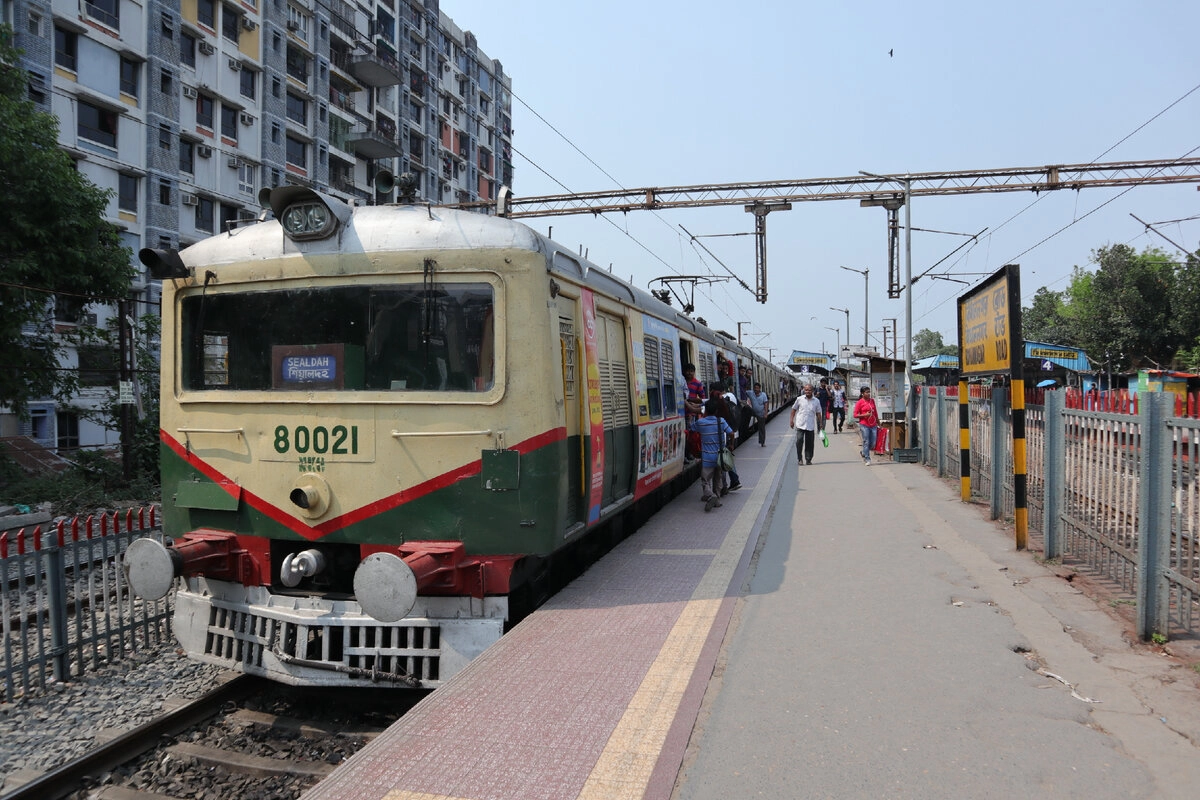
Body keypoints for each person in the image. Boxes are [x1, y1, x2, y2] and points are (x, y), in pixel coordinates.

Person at [692, 399, 733, 511]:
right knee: (718, 479)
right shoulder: (721, 421)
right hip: (720, 457)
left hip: (707, 458)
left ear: (706, 411)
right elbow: (731, 433)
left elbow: (691, 428)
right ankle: (717, 501)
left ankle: (711, 496)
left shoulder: (701, 422)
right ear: (716, 411)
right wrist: (731, 445)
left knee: (705, 480)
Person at [709, 382, 742, 491]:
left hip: (724, 434)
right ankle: (734, 480)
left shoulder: (721, 399)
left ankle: (728, 483)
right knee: (727, 456)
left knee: (723, 458)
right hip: (732, 431)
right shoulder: (731, 395)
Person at [789, 383, 824, 466]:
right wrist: (791, 420)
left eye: (809, 390)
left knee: (810, 443)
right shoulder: (799, 399)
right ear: (804, 390)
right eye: (806, 390)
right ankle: (800, 459)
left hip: (810, 425)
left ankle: (808, 459)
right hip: (800, 424)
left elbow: (818, 413)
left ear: (812, 391)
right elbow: (793, 410)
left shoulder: (816, 401)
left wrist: (821, 423)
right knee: (799, 441)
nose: (807, 391)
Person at [853, 385, 880, 465]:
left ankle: (863, 452)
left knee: (873, 443)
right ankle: (867, 458)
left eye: (869, 392)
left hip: (873, 424)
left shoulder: (872, 401)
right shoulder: (859, 402)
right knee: (866, 441)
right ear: (862, 393)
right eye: (867, 392)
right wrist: (864, 415)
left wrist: (878, 422)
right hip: (864, 424)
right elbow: (855, 415)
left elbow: (875, 412)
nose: (868, 394)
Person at [747, 381, 770, 446]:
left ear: (760, 388)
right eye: (755, 388)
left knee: (761, 428)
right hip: (753, 413)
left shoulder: (763, 395)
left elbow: (765, 404)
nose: (756, 389)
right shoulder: (751, 393)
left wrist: (765, 413)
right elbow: (744, 391)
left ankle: (762, 442)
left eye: (757, 388)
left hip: (761, 413)